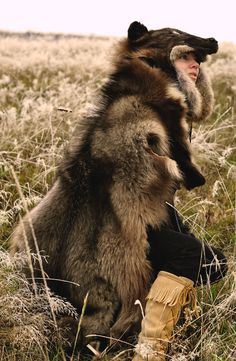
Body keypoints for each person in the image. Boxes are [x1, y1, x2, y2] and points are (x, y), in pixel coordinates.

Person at [132, 51, 228, 361]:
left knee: (213, 263)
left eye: (198, 59)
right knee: (189, 254)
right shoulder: (141, 108)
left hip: (155, 217)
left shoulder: (174, 116)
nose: (195, 64)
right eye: (185, 57)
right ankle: (149, 351)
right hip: (121, 224)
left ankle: (151, 319)